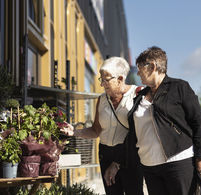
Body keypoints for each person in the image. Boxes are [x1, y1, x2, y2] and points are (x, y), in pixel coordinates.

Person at [127, 46, 201, 195]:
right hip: (149, 164)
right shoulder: (139, 97)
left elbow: (198, 123)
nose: (138, 72)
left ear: (152, 66)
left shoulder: (179, 87)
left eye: (140, 68)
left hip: (178, 161)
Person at [60, 57, 144, 195]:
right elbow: (95, 130)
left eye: (106, 80)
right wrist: (74, 132)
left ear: (120, 79)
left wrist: (117, 163)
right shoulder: (102, 99)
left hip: (129, 155)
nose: (102, 84)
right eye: (101, 79)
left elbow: (139, 134)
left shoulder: (137, 95)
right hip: (106, 153)